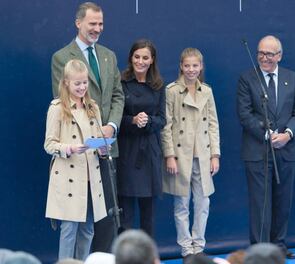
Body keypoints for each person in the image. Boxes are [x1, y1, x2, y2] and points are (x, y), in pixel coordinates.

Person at [51, 2, 124, 252]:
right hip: (77, 155)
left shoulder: (108, 55)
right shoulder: (61, 58)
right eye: (92, 23)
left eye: (101, 24)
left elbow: (117, 95)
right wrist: (88, 136)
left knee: (100, 220)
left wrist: (111, 126)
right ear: (78, 22)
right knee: (72, 224)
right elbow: (63, 104)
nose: (97, 28)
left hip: (103, 149)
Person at [236, 35, 295, 259]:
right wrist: (266, 134)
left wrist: (288, 134)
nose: (264, 58)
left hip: (286, 149)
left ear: (279, 56)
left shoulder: (292, 78)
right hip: (257, 150)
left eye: (269, 54)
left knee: (283, 201)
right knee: (260, 204)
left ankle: (279, 247)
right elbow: (244, 114)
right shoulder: (247, 78)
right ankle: (260, 251)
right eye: (261, 53)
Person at [161, 48, 220, 263]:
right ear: (181, 66)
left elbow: (213, 124)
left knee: (203, 203)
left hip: (203, 155)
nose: (191, 70)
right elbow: (166, 126)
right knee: (182, 204)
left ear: (201, 67)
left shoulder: (207, 91)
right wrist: (169, 155)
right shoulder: (172, 91)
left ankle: (199, 246)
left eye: (195, 66)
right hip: (181, 155)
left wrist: (215, 154)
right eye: (187, 66)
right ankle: (186, 249)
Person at [44, 59, 107, 260]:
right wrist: (69, 148)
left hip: (90, 177)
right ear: (66, 83)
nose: (82, 87)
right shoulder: (57, 108)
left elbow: (97, 139)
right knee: (69, 230)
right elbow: (49, 144)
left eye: (84, 82)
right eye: (77, 83)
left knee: (88, 228)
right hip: (69, 176)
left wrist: (103, 148)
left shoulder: (93, 107)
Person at [116, 39, 165, 237]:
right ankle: (123, 257)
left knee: (148, 215)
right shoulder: (121, 82)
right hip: (127, 151)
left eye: (145, 57)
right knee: (125, 214)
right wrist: (133, 120)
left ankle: (148, 256)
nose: (141, 61)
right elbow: (115, 117)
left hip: (150, 153)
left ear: (152, 60)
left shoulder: (159, 85)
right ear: (131, 58)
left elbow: (162, 119)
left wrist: (149, 121)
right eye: (137, 57)